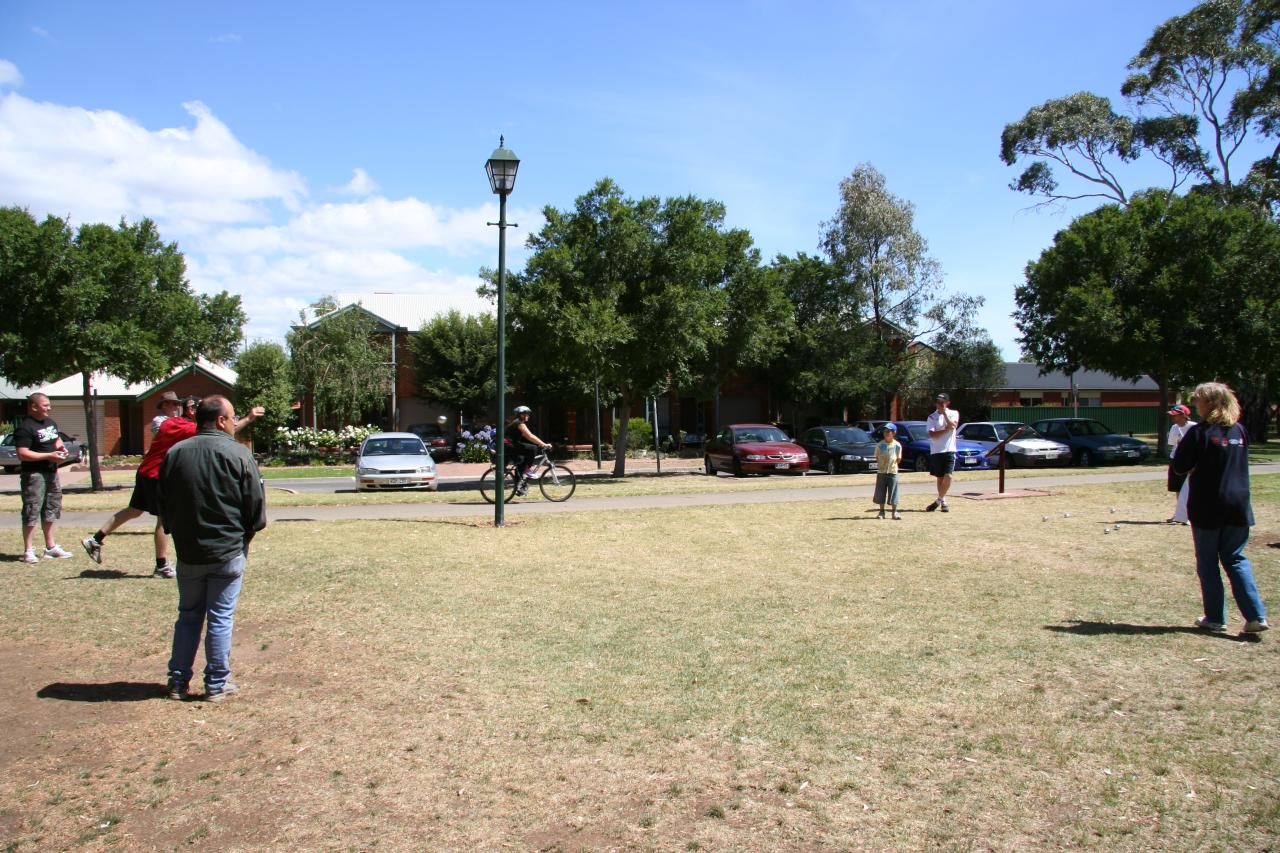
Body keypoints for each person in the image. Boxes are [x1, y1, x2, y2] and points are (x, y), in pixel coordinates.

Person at [158, 396, 266, 701]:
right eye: (232, 418)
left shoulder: (175, 453)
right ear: (220, 420)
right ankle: (217, 683)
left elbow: (163, 502)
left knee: (188, 615)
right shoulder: (238, 453)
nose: (234, 422)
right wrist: (248, 535)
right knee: (220, 616)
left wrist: (175, 531)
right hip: (228, 550)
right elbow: (255, 503)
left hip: (189, 550)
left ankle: (178, 681)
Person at [83, 396, 263, 577]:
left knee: (134, 510)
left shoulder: (171, 423)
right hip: (156, 474)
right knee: (164, 518)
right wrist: (249, 418)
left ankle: (95, 539)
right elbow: (221, 432)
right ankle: (161, 565)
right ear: (191, 411)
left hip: (146, 471)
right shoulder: (185, 427)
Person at [1172, 382, 1268, 635]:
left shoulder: (1199, 432)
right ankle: (1255, 616)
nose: (1195, 404)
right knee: (1235, 558)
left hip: (1208, 506)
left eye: (1198, 399)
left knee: (1208, 562)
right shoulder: (1240, 430)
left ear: (1211, 403)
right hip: (1238, 505)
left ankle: (1215, 618)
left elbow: (1180, 466)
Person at [14, 392, 73, 563]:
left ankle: (50, 547)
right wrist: (48, 455)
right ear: (34, 407)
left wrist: (61, 448)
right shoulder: (25, 427)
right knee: (32, 510)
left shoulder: (50, 423)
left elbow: (56, 439)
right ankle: (28, 550)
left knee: (51, 508)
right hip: (34, 475)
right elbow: (22, 454)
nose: (49, 408)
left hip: (52, 472)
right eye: (45, 405)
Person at [925, 392, 959, 513]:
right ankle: (943, 501)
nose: (939, 404)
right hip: (936, 450)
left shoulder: (953, 413)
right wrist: (945, 430)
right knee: (940, 478)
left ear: (947, 403)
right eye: (938, 402)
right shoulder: (931, 417)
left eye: (942, 402)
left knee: (948, 476)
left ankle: (938, 501)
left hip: (949, 450)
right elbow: (932, 435)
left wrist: (944, 413)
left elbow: (953, 425)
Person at [504, 405, 550, 496]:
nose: (528, 416)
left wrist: (540, 443)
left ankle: (518, 487)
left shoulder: (517, 423)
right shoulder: (519, 423)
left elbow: (528, 436)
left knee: (521, 462)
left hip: (509, 445)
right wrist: (543, 444)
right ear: (521, 415)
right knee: (533, 448)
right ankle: (527, 469)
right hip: (509, 445)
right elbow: (530, 436)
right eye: (527, 414)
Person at [1165, 403, 1196, 525]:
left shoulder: (1194, 427)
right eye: (1172, 415)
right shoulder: (1174, 428)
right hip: (1176, 459)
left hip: (1190, 462)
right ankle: (1180, 514)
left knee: (1189, 488)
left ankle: (1189, 515)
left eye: (1176, 415)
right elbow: (1173, 444)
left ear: (1184, 415)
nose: (1173, 418)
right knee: (1178, 488)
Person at [874, 423, 902, 520]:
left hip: (892, 472)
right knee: (880, 492)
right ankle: (881, 512)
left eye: (888, 431)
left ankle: (895, 512)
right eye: (885, 431)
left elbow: (898, 458)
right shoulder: (880, 444)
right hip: (882, 472)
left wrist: (892, 466)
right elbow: (877, 457)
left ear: (893, 433)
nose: (886, 433)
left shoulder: (897, 445)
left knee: (894, 492)